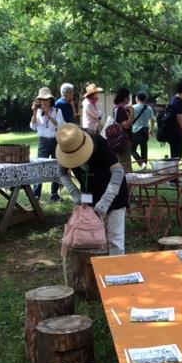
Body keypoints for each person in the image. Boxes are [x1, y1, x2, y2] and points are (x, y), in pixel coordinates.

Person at [56, 124, 129, 255]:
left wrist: (106, 200)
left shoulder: (99, 142)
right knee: (89, 237)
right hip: (88, 195)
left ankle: (117, 272)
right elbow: (61, 173)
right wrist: (75, 194)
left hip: (114, 193)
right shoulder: (65, 146)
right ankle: (95, 271)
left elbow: (118, 171)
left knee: (115, 239)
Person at [30, 87, 65, 201]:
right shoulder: (38, 112)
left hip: (55, 141)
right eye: (41, 100)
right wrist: (35, 112)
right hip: (43, 142)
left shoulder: (57, 111)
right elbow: (33, 126)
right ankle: (36, 194)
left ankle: (54, 194)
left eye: (46, 100)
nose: (44, 102)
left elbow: (60, 126)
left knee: (56, 167)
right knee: (39, 167)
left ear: (50, 100)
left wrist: (48, 115)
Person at [112, 88, 134, 172]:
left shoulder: (118, 109)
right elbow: (126, 125)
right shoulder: (120, 110)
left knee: (122, 163)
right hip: (123, 140)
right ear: (124, 98)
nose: (129, 99)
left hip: (119, 139)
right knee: (126, 164)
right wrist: (132, 112)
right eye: (128, 96)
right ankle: (128, 183)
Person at [131, 92, 156, 166]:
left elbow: (131, 119)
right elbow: (152, 119)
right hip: (145, 131)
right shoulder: (149, 108)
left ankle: (141, 163)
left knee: (132, 150)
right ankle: (144, 165)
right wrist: (151, 129)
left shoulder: (133, 107)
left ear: (137, 98)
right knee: (144, 150)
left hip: (136, 131)